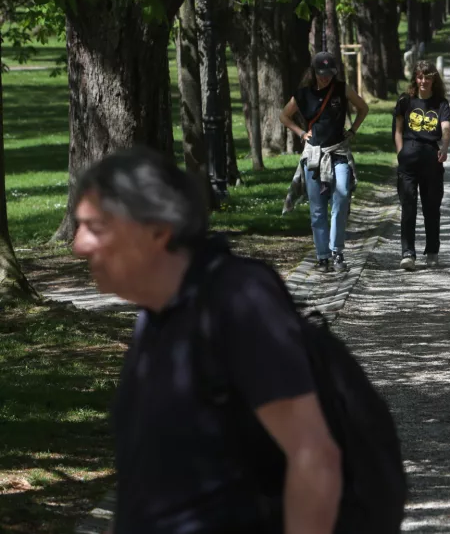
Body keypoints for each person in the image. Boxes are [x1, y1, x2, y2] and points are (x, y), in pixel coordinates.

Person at [71, 148, 343, 534]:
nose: (79, 245)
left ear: (157, 231)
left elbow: (313, 456)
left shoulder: (238, 299)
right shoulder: (155, 313)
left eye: (95, 228)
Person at [280, 51, 369, 273]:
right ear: (314, 72)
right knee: (317, 209)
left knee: (341, 198)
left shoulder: (341, 89)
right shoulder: (303, 94)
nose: (325, 78)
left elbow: (363, 108)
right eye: (321, 73)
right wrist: (301, 133)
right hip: (314, 155)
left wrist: (352, 130)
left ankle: (337, 252)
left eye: (329, 73)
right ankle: (322, 256)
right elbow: (284, 116)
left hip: (338, 151)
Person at [394, 60, 450, 270]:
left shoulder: (441, 104)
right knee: (408, 206)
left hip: (431, 158)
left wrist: (444, 147)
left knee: (432, 207)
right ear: (415, 78)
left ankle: (432, 251)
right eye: (420, 76)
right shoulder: (405, 101)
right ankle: (408, 253)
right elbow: (398, 130)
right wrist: (400, 153)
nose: (424, 81)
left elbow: (445, 128)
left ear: (434, 78)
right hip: (408, 158)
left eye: (428, 77)